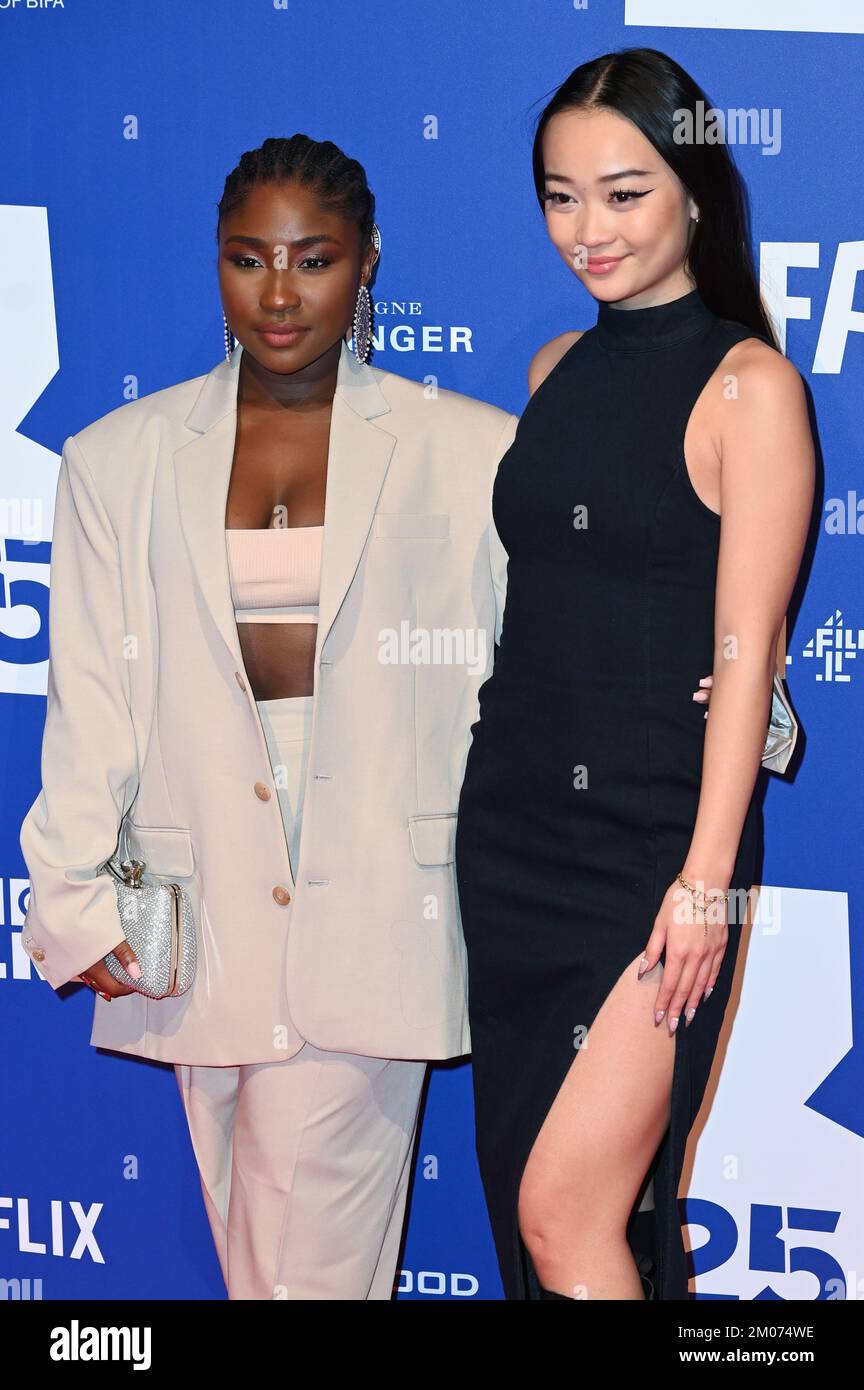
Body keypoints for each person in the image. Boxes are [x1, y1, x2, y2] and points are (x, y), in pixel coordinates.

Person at [20, 131, 767, 1301]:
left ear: (368, 263)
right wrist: (67, 896)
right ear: (214, 263)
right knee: (258, 1271)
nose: (278, 291)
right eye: (247, 257)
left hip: (379, 909)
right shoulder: (116, 460)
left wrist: (745, 709)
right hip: (192, 921)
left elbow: (600, 614)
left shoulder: (466, 450)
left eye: (312, 257)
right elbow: (92, 699)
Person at [454, 47, 814, 1302]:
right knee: (533, 1212)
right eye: (560, 195)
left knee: (569, 1213)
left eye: (624, 191)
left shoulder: (750, 388)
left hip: (655, 847)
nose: (587, 229)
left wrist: (705, 880)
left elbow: (744, 647)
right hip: (512, 834)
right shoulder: (553, 371)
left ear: (695, 192)